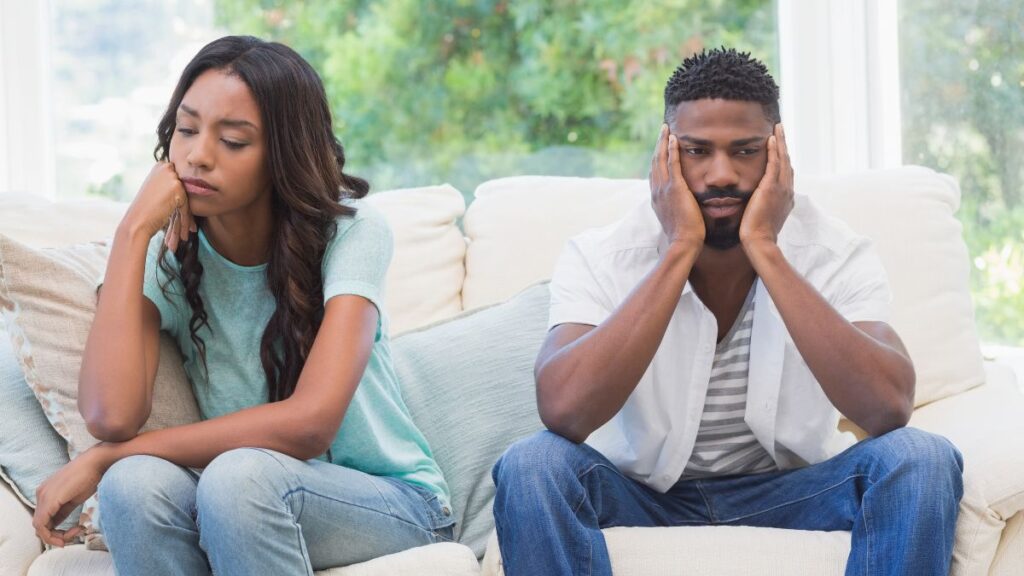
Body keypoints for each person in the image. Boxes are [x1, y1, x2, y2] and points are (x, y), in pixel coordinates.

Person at [492, 47, 963, 576]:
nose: (721, 174)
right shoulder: (604, 255)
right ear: (666, 154)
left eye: (745, 151)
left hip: (794, 491)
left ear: (777, 154)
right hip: (641, 495)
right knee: (531, 464)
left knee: (922, 458)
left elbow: (888, 408)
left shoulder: (835, 251)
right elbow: (563, 411)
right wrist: (679, 248)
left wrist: (765, 246)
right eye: (697, 151)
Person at [31, 35, 453, 576]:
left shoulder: (352, 232)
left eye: (232, 141)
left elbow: (311, 423)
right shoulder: (171, 256)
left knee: (235, 477)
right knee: (133, 484)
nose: (197, 155)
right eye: (186, 129)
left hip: (391, 503)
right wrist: (133, 231)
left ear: (283, 154)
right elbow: (111, 415)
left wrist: (106, 455)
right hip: (240, 500)